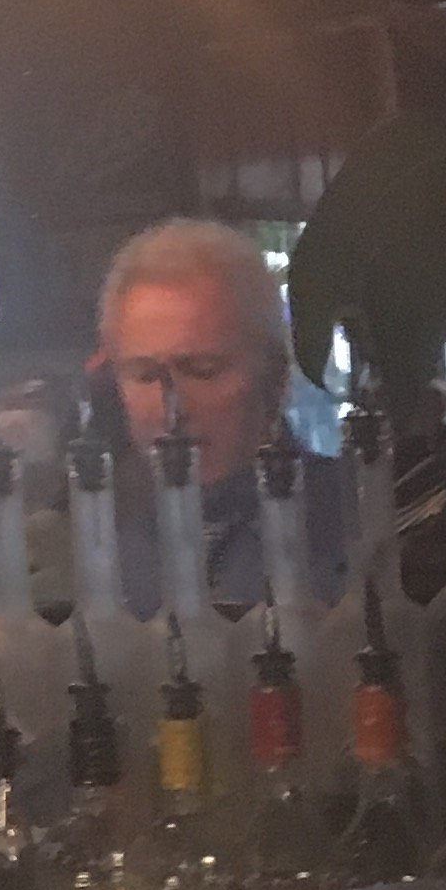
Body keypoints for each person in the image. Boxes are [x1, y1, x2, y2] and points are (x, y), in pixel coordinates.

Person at [93, 218, 347, 618]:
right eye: (144, 375)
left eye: (203, 371)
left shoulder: (357, 531)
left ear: (275, 380)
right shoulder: (106, 562)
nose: (171, 407)